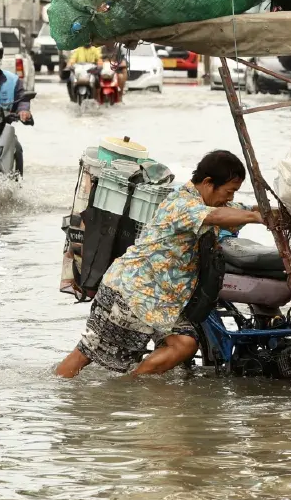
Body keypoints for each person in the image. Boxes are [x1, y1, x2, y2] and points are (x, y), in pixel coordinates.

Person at [55, 150, 264, 378]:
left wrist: (274, 213)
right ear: (207, 182)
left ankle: (127, 388)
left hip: (163, 302)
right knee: (86, 354)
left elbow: (236, 211)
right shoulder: (182, 204)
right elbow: (216, 216)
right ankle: (56, 396)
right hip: (131, 293)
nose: (229, 198)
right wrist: (256, 218)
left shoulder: (205, 204)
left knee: (184, 344)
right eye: (228, 191)